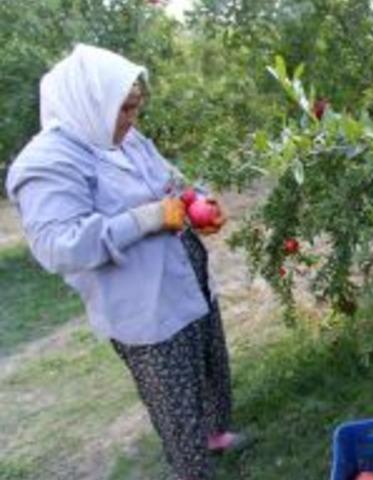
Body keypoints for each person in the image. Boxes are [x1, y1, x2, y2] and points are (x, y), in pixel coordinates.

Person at [5, 44, 249, 480]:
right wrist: (146, 218)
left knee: (209, 361)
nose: (133, 119)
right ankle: (192, 470)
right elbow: (59, 247)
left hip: (184, 274)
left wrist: (198, 200)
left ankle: (215, 434)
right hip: (143, 302)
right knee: (174, 395)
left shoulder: (123, 137)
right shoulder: (46, 164)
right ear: (91, 101)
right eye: (126, 108)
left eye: (136, 107)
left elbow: (170, 179)